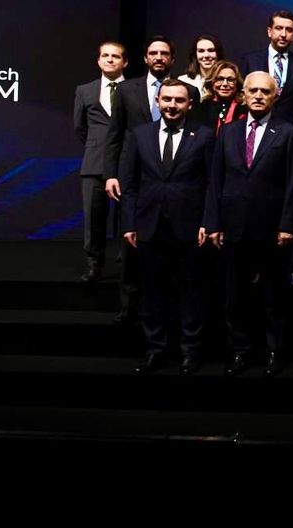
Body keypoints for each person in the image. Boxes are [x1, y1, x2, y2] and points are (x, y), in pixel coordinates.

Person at [204, 72, 293, 377]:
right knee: (235, 296)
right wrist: (213, 223)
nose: (259, 96)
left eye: (265, 91)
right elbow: (216, 180)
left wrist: (288, 225)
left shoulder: (287, 131)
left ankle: (274, 351)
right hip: (232, 226)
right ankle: (239, 351)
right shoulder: (228, 132)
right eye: (253, 90)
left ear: (275, 96)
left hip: (272, 228)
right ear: (243, 94)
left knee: (274, 296)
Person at [120, 79, 214, 374]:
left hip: (190, 226)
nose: (172, 105)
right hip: (149, 225)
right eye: (167, 99)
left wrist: (207, 221)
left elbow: (212, 184)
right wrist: (129, 223)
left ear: (190, 104)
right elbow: (130, 184)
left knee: (191, 292)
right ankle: (155, 350)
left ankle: (190, 352)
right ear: (157, 101)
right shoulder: (140, 134)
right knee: (152, 293)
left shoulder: (204, 136)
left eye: (179, 100)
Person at [104, 37, 200, 322]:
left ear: (172, 59)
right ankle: (128, 309)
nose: (159, 57)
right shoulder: (125, 89)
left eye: (164, 53)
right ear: (145, 58)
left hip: (175, 179)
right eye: (153, 53)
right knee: (132, 249)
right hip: (135, 174)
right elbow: (114, 135)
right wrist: (111, 174)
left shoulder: (188, 91)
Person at [74, 40, 126, 283]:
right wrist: (97, 146)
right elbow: (80, 127)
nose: (110, 59)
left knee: (126, 218)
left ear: (125, 62)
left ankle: (126, 263)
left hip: (126, 162)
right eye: (105, 55)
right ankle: (94, 264)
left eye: (115, 56)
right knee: (93, 218)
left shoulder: (135, 89)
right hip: (94, 163)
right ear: (98, 60)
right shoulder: (84, 90)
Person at [240, 10, 293, 128]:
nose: (283, 34)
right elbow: (242, 96)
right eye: (278, 28)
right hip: (256, 125)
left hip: (290, 129)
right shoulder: (250, 60)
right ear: (269, 31)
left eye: (289, 30)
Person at [188, 60, 248, 134]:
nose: (225, 84)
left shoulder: (244, 109)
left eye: (230, 80)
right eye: (220, 79)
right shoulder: (202, 108)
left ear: (237, 83)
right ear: (212, 82)